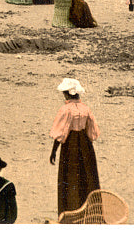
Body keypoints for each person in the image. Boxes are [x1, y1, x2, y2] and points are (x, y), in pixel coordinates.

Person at [49, 78, 101, 216]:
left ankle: (70, 208)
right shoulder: (86, 109)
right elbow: (93, 132)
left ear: (66, 94)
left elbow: (60, 132)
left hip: (70, 145)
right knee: (87, 175)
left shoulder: (65, 110)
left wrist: (54, 151)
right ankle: (88, 209)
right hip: (85, 145)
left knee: (70, 176)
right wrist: (87, 144)